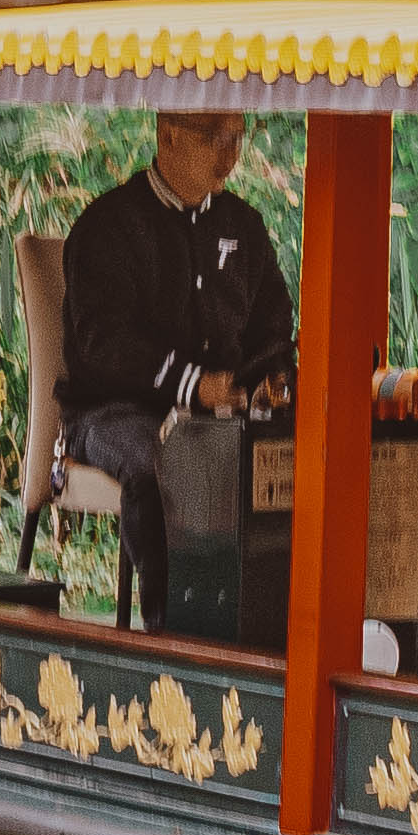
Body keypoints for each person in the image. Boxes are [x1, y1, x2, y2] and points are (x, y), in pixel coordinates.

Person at [57, 109, 295, 635]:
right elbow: (102, 345)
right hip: (114, 410)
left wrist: (267, 378)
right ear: (168, 134)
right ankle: (170, 636)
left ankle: (263, 629)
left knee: (287, 457)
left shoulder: (244, 227)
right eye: (215, 138)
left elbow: (274, 327)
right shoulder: (107, 226)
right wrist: (191, 383)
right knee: (161, 465)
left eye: (236, 137)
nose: (229, 154)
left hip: (220, 414)